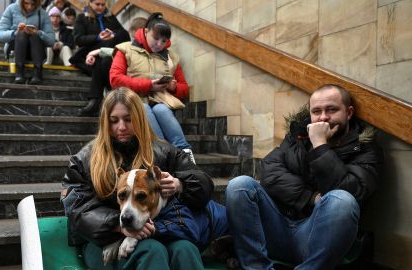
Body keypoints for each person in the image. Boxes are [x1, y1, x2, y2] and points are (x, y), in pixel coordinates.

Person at [61, 88, 228, 269]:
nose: (121, 127)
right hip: (103, 238)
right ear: (104, 122)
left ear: (140, 119)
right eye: (113, 121)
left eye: (128, 119)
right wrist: (117, 225)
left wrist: (180, 184)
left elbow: (203, 184)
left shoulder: (165, 151)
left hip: (158, 230)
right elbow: (76, 207)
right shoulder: (84, 160)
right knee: (151, 250)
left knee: (186, 249)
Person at [226, 84, 383, 269]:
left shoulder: (366, 149)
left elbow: (352, 192)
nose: (323, 117)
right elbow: (269, 171)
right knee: (239, 185)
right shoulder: (297, 137)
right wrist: (310, 197)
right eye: (316, 111)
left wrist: (320, 145)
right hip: (279, 226)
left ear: (348, 113)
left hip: (316, 237)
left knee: (343, 201)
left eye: (331, 110)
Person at [109, 12, 195, 162]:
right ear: (146, 31)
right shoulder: (125, 49)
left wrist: (172, 87)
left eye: (164, 41)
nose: (159, 44)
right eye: (156, 38)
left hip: (161, 101)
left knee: (161, 109)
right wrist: (149, 85)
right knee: (144, 108)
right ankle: (163, 155)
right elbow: (115, 79)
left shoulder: (171, 57)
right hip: (133, 101)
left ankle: (186, 155)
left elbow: (184, 89)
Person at [70, 0, 129, 116]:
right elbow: (78, 39)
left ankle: (95, 101)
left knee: (105, 60)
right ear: (90, 3)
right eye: (97, 4)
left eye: (103, 5)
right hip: (87, 57)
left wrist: (114, 35)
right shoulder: (82, 18)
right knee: (103, 60)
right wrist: (97, 37)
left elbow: (125, 36)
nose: (100, 7)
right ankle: (110, 98)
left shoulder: (110, 17)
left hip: (106, 57)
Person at [0, 0, 55, 84]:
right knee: (21, 33)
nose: (29, 7)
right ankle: (19, 72)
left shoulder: (43, 13)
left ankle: (37, 72)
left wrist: (38, 32)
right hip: (15, 49)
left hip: (35, 52)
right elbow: (0, 34)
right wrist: (15, 32)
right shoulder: (11, 9)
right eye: (26, 3)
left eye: (33, 4)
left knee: (35, 35)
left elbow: (51, 40)